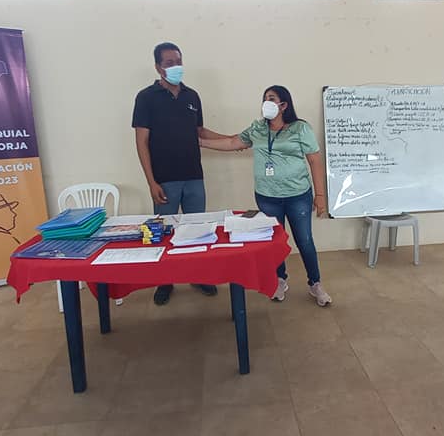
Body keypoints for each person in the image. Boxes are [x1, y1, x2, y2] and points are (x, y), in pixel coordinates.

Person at [199, 85, 332, 306]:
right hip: (267, 196)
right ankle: (280, 280)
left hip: (298, 195)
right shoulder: (258, 128)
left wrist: (320, 196)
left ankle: (315, 283)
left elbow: (315, 160)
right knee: (274, 241)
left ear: (284, 105)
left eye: (271, 98)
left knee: (305, 240)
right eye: (264, 99)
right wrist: (201, 142)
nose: (266, 103)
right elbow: (233, 142)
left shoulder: (300, 128)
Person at [132, 42, 230, 305]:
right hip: (164, 179)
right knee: (166, 232)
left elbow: (200, 132)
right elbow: (141, 142)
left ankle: (198, 276)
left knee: (198, 229)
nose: (176, 67)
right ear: (158, 67)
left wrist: (232, 140)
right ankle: (165, 281)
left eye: (178, 61)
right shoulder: (146, 97)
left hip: (194, 176)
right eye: (169, 63)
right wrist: (151, 182)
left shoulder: (192, 96)